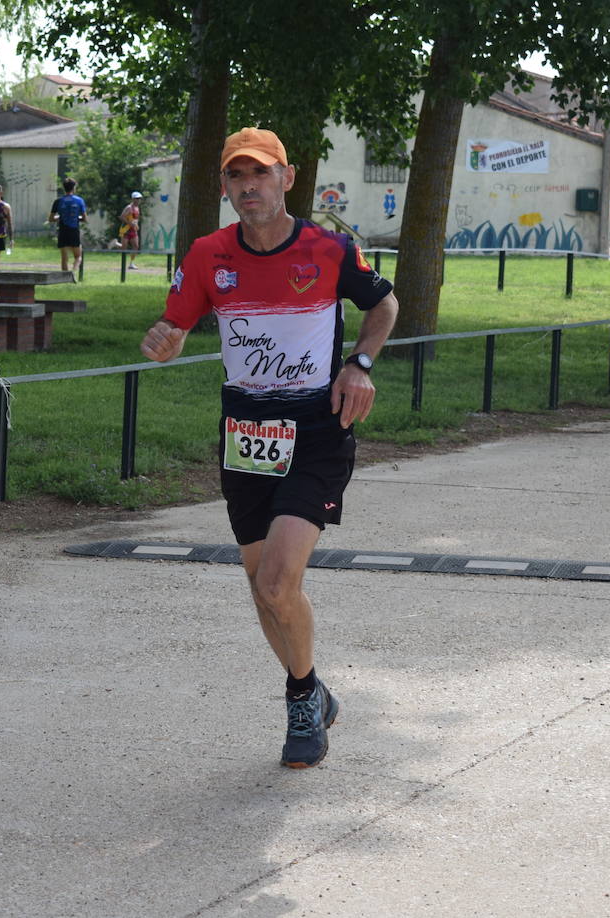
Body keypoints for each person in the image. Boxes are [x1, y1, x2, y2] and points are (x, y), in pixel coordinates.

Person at [139, 127, 398, 769]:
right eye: (235, 177)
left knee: (281, 581)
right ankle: (313, 686)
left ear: (286, 178)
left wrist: (359, 364)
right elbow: (177, 321)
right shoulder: (207, 255)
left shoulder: (329, 249)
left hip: (316, 429)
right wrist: (166, 338)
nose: (247, 187)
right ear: (225, 187)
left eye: (259, 174)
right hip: (247, 434)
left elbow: (385, 304)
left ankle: (301, 701)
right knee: (261, 587)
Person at [49, 178, 88, 273]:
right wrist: (77, 218)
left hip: (62, 230)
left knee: (64, 258)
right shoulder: (79, 201)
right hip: (74, 230)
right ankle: (73, 272)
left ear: (64, 188)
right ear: (74, 188)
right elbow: (85, 219)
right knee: (78, 257)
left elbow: (51, 219)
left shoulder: (58, 201)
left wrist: (59, 217)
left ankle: (65, 278)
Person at [120, 191, 143, 268]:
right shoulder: (129, 207)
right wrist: (131, 224)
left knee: (136, 246)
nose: (138, 200)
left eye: (139, 198)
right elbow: (122, 217)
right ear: (133, 199)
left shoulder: (137, 208)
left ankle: (131, 263)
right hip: (126, 229)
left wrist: (136, 225)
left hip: (133, 230)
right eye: (137, 198)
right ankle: (116, 244)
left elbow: (136, 218)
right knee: (124, 248)